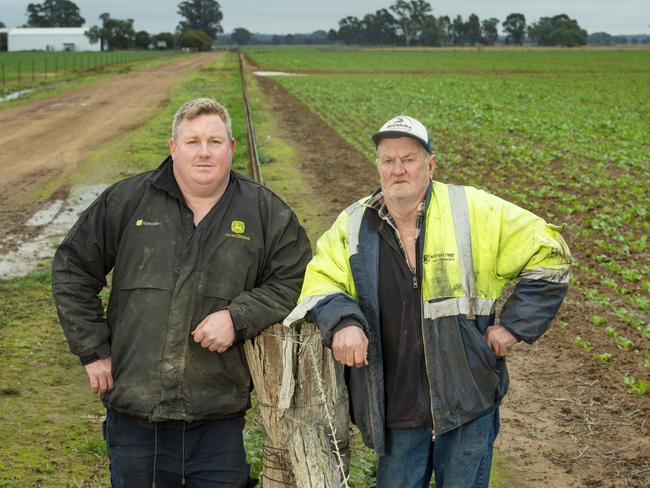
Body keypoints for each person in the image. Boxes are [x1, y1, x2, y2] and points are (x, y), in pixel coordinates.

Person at [284, 115, 572, 488]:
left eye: (409, 159)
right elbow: (321, 279)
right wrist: (344, 322)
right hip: (395, 405)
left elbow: (551, 252)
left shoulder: (473, 209)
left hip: (467, 398)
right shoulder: (354, 223)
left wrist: (515, 325)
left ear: (430, 165)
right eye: (388, 160)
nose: (398, 170)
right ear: (378, 166)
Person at [52, 97, 311, 487]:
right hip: (136, 414)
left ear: (231, 147)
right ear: (173, 148)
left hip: (217, 419)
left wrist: (238, 317)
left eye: (214, 141)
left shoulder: (265, 213)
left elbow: (294, 280)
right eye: (192, 142)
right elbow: (73, 268)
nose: (204, 152)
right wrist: (94, 350)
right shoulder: (127, 201)